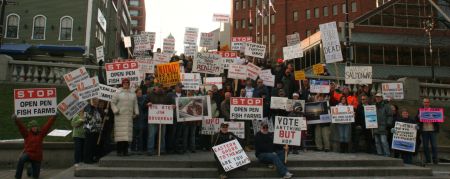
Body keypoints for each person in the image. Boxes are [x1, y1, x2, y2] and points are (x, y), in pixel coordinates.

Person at [13, 114, 56, 179]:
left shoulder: (41, 134)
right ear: (30, 128)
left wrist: (54, 117)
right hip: (28, 154)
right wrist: (16, 119)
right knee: (21, 159)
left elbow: (48, 125)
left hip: (37, 157)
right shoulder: (26, 134)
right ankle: (17, 177)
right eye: (33, 127)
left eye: (36, 126)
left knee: (35, 176)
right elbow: (21, 127)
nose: (35, 128)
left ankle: (30, 169)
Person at [111, 78, 139, 156]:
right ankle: (119, 151)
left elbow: (135, 104)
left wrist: (136, 112)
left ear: (129, 84)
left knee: (127, 135)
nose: (126, 84)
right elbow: (112, 103)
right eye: (124, 82)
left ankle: (125, 151)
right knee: (120, 135)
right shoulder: (117, 92)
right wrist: (116, 110)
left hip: (129, 116)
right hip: (119, 116)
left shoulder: (132, 93)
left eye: (127, 82)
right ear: (122, 84)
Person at [145, 82, 170, 155]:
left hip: (163, 118)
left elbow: (169, 104)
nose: (160, 88)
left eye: (161, 87)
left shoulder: (165, 95)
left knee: (162, 135)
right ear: (155, 87)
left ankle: (162, 149)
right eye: (158, 87)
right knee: (151, 135)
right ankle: (150, 150)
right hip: (152, 118)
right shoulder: (150, 95)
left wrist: (171, 106)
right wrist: (147, 104)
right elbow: (144, 104)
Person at [417, 97, 440, 164]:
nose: (426, 103)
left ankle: (435, 159)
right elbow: (416, 119)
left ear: (429, 103)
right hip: (424, 130)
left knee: (434, 145)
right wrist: (418, 117)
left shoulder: (433, 110)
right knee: (425, 146)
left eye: (427, 102)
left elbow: (438, 119)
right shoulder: (420, 110)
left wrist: (441, 118)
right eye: (424, 102)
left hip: (433, 130)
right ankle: (428, 159)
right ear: (423, 103)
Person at [82, 98, 103, 163]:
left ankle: (91, 158)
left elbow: (98, 118)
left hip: (95, 130)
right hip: (89, 130)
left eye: (98, 101)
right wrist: (92, 106)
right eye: (96, 101)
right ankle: (87, 159)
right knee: (89, 145)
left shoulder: (96, 109)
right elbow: (88, 117)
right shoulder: (88, 107)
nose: (97, 102)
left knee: (93, 145)